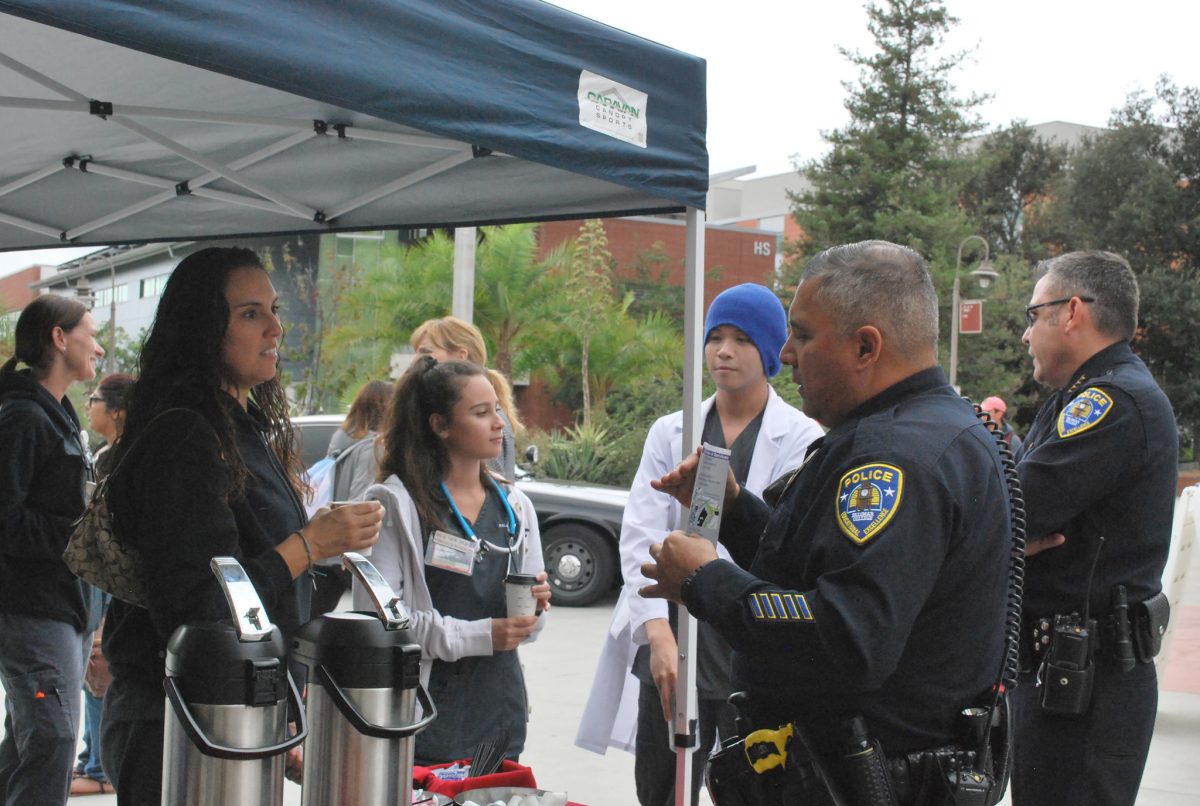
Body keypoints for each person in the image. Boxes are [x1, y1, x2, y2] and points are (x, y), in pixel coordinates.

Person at [640, 241, 1011, 803]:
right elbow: (830, 569)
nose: (786, 353)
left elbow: (844, 636)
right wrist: (739, 512)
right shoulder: (925, 428)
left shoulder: (893, 455)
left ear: (866, 346)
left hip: (856, 780)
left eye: (804, 335)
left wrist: (707, 580)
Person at [98, 247, 382, 804]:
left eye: (273, 309)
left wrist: (337, 562)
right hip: (180, 722)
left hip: (233, 710)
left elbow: (268, 589)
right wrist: (308, 544)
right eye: (251, 313)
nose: (276, 326)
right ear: (202, 327)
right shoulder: (184, 432)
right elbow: (201, 605)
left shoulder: (238, 424)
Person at [575, 283, 822, 806]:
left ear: (773, 350)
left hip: (743, 630)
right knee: (661, 782)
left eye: (741, 339)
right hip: (671, 622)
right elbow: (642, 531)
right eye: (716, 338)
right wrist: (659, 633)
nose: (723, 351)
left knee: (746, 782)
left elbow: (781, 543)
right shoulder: (673, 430)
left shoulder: (800, 437)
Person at [1011, 251, 1177, 806]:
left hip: (1087, 682)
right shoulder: (1077, 397)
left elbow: (1016, 507)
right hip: (1065, 674)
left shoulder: (1112, 401)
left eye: (1034, 314)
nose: (1027, 334)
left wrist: (1010, 529)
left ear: (1072, 311)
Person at [352, 356, 550, 765]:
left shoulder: (515, 506)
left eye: (497, 408)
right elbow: (385, 626)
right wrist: (484, 635)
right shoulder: (396, 504)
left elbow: (527, 631)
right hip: (423, 717)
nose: (499, 422)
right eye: (481, 413)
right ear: (440, 426)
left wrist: (536, 608)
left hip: (499, 713)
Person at [0, 294, 104, 806]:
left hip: (65, 606)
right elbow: (6, 519)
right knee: (53, 735)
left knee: (30, 739)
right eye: (90, 332)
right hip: (32, 609)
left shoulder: (59, 416)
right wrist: (77, 533)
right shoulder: (22, 418)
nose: (100, 347)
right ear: (59, 339)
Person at [71, 372, 135, 797]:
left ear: (118, 411)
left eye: (94, 399)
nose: (89, 405)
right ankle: (93, 759)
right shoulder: (110, 454)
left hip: (111, 580)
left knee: (99, 661)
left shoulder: (120, 458)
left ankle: (98, 768)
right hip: (105, 578)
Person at [310, 378, 393, 616]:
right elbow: (360, 501)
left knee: (309, 618)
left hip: (329, 547)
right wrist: (355, 554)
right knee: (378, 617)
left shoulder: (342, 439)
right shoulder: (373, 448)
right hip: (349, 551)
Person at [411, 316, 522, 480]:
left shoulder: (488, 427)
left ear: (461, 355)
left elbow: (489, 487)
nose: (415, 361)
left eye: (426, 352)